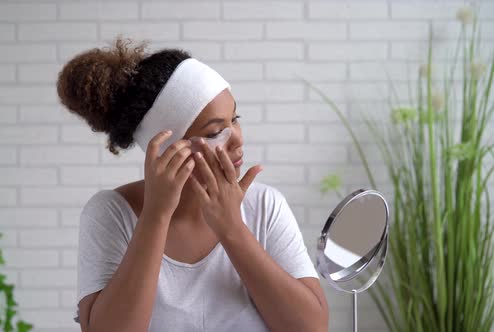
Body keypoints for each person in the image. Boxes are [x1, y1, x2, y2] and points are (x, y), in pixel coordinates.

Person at [56, 36, 329, 332]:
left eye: (234, 119)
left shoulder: (264, 205)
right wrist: (155, 217)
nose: (238, 138)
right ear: (166, 148)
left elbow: (312, 328)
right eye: (215, 133)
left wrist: (232, 228)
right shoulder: (111, 213)